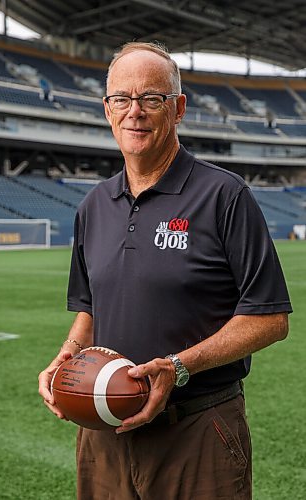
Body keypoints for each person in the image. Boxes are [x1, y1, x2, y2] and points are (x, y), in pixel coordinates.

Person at [39, 41, 292, 500]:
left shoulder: (224, 196)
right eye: (122, 99)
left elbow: (270, 318)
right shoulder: (92, 206)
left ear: (177, 109)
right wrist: (67, 357)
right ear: (107, 109)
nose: (134, 111)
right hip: (102, 432)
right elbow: (89, 308)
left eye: (151, 98)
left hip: (196, 430)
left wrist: (177, 366)